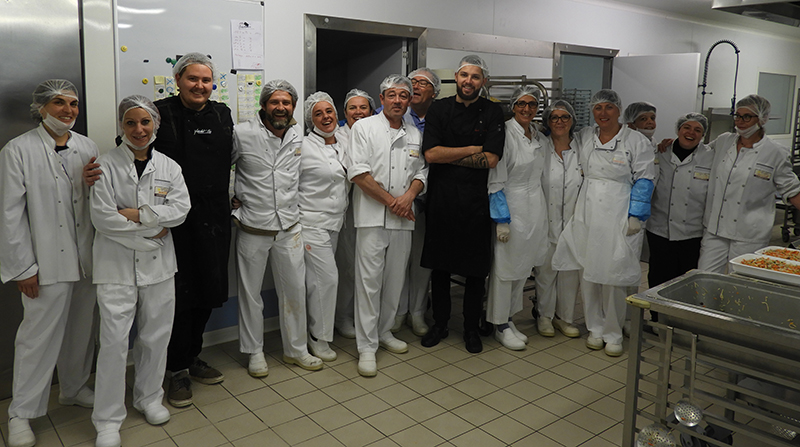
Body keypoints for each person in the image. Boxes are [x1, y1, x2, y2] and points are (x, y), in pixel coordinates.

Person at [0, 79, 98, 447]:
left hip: (85, 260)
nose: (68, 110)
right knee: (36, 339)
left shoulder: (86, 147)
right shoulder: (17, 151)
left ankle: (72, 388)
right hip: (43, 264)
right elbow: (8, 215)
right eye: (59, 103)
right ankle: (21, 413)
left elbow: (91, 203)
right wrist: (23, 268)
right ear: (41, 107)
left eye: (73, 104)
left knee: (81, 329)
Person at [90, 96, 191, 447]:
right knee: (114, 344)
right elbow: (102, 218)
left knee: (155, 337)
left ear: (156, 125)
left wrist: (133, 214)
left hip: (160, 269)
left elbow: (180, 211)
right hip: (115, 269)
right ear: (121, 125)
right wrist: (152, 229)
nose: (138, 129)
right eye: (131, 123)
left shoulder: (170, 167)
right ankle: (107, 418)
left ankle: (149, 398)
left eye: (145, 122)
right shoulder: (103, 165)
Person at [144, 53, 231, 407]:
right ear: (177, 79)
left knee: (210, 290)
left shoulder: (222, 114)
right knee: (179, 296)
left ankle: (191, 355)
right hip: (176, 222)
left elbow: (235, 159)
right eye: (192, 79)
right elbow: (134, 153)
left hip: (215, 216)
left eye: (206, 80)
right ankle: (175, 369)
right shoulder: (159, 112)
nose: (200, 86)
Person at [552, 89, 655, 357]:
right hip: (587, 211)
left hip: (619, 212)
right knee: (589, 272)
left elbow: (645, 179)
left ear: (619, 110)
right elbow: (561, 143)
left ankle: (613, 332)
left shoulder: (635, 140)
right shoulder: (586, 136)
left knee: (614, 276)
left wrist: (636, 215)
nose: (603, 113)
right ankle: (594, 328)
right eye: (598, 108)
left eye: (609, 107)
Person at [232, 79, 323, 376]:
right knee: (250, 294)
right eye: (275, 102)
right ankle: (254, 351)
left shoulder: (299, 134)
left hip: (289, 226)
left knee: (294, 290)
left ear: (294, 107)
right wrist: (231, 197)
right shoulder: (242, 133)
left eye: (286, 103)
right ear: (264, 105)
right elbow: (223, 166)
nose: (280, 107)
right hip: (253, 227)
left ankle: (296, 350)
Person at [420, 55, 505, 354]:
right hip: (442, 201)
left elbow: (492, 159)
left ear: (483, 81)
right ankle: (440, 323)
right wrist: (472, 149)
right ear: (455, 77)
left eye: (476, 77)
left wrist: (449, 153)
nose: (469, 81)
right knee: (440, 269)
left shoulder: (494, 112)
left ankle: (471, 327)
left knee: (474, 272)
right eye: (464, 75)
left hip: (476, 205)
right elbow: (430, 155)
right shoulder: (439, 109)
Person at [348, 75, 427, 376]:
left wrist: (408, 196)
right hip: (371, 218)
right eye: (391, 95)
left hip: (403, 218)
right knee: (369, 284)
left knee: (395, 281)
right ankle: (366, 347)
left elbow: (422, 171)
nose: (397, 101)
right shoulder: (364, 128)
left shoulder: (415, 134)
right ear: (381, 99)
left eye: (403, 96)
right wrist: (393, 202)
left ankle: (384, 332)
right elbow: (359, 173)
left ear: (409, 101)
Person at [699, 94, 800, 272]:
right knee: (705, 278)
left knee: (741, 283)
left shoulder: (775, 152)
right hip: (715, 229)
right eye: (737, 116)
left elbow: (792, 190)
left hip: (749, 233)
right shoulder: (724, 141)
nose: (740, 121)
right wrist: (669, 145)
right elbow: (699, 153)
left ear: (762, 119)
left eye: (747, 116)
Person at [486, 86, 548, 351]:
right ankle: (498, 324)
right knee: (504, 269)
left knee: (523, 268)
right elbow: (495, 180)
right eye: (521, 104)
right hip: (511, 206)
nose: (526, 109)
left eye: (532, 105)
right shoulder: (505, 134)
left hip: (535, 208)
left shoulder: (538, 136)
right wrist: (501, 218)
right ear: (513, 106)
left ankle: (509, 318)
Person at [299, 92, 349, 362]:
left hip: (335, 223)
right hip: (311, 223)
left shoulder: (343, 141)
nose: (326, 117)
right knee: (325, 280)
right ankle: (318, 337)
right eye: (318, 113)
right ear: (310, 119)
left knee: (320, 281)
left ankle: (321, 329)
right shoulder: (304, 146)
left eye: (329, 111)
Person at [393, 68, 442, 337]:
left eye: (422, 83)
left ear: (434, 92)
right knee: (399, 258)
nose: (415, 86)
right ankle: (399, 312)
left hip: (431, 199)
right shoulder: (393, 114)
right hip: (399, 200)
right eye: (412, 82)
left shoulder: (441, 116)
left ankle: (418, 312)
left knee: (423, 260)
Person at [534, 100, 583, 340]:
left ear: (572, 121)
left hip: (575, 223)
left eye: (565, 117)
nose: (560, 122)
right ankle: (544, 316)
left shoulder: (582, 148)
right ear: (547, 122)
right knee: (545, 273)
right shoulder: (540, 147)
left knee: (570, 274)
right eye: (554, 118)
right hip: (546, 220)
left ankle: (565, 318)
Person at [647, 113, 714, 287]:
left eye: (697, 130)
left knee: (686, 280)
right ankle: (656, 315)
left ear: (703, 135)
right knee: (658, 277)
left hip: (692, 232)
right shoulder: (661, 152)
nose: (691, 132)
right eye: (687, 127)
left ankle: (680, 315)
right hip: (659, 230)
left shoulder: (710, 157)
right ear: (678, 130)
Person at [334, 89, 376, 339]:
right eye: (353, 108)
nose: (358, 113)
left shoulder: (376, 132)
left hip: (373, 206)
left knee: (369, 267)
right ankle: (343, 317)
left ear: (371, 111)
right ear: (345, 113)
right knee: (348, 266)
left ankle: (366, 317)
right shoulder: (338, 136)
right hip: (347, 209)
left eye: (363, 108)